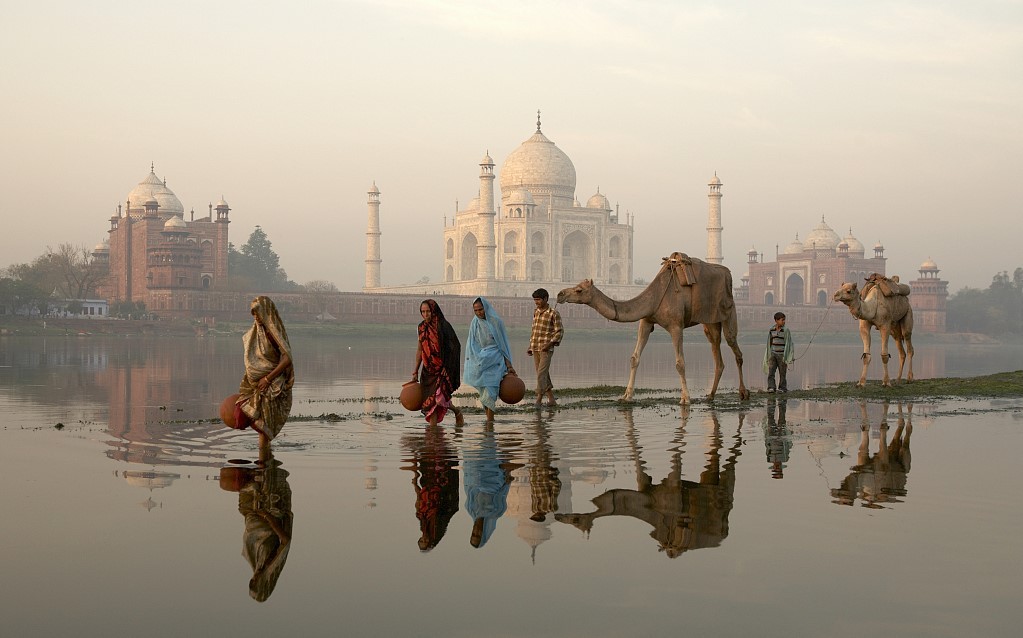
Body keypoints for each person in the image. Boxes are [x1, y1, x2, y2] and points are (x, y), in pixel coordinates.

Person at [236, 296, 295, 449]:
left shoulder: (273, 333)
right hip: (257, 383)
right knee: (260, 425)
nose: (256, 316)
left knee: (264, 428)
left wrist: (268, 379)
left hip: (272, 383)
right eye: (253, 313)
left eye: (258, 312)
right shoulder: (257, 331)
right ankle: (264, 461)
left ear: (267, 312)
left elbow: (287, 359)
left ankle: (264, 464)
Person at [464, 297, 516, 421]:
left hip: (496, 359)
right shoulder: (475, 323)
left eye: (480, 309)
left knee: (491, 390)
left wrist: (509, 366)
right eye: (476, 310)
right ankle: (489, 423)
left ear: (486, 308)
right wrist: (476, 359)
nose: (479, 313)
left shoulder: (496, 322)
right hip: (482, 360)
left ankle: (490, 423)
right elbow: (472, 344)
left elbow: (503, 345)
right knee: (483, 392)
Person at [413, 299, 464, 426]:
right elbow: (420, 349)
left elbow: (455, 346)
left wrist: (447, 364)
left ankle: (455, 412)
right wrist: (415, 370)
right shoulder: (421, 328)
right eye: (423, 312)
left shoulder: (443, 326)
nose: (426, 315)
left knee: (438, 399)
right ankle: (433, 435)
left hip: (442, 369)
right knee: (431, 403)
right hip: (428, 371)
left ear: (434, 311)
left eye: (428, 311)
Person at [527, 288, 563, 407]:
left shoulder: (553, 313)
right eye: (535, 300)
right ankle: (551, 400)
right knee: (542, 374)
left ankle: (538, 399)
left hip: (546, 349)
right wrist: (530, 346)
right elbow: (534, 330)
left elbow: (559, 332)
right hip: (536, 347)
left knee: (541, 374)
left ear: (546, 299)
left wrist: (549, 344)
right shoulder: (536, 312)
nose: (536, 302)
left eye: (538, 300)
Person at [763, 311, 794, 393]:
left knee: (782, 372)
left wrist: (788, 356)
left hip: (782, 355)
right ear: (776, 320)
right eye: (782, 320)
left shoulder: (786, 330)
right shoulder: (772, 330)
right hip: (773, 354)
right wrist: (769, 354)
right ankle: (771, 387)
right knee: (771, 372)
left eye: (784, 320)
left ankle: (782, 388)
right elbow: (769, 342)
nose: (784, 322)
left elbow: (789, 344)